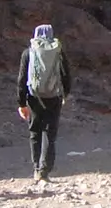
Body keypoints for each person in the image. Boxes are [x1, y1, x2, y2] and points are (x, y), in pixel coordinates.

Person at [16, 24, 73, 183]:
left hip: (34, 97)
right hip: (54, 96)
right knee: (49, 133)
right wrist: (65, 94)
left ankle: (36, 168)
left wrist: (21, 103)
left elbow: (21, 79)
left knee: (35, 132)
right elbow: (66, 74)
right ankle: (44, 171)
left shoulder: (28, 52)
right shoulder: (58, 51)